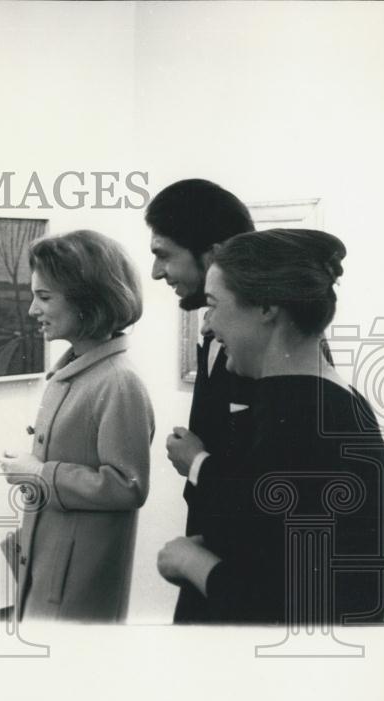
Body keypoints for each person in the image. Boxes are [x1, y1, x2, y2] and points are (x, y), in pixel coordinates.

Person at [156, 229, 384, 623]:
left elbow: (284, 605)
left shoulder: (304, 419)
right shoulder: (320, 401)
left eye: (214, 306)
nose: (207, 325)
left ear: (266, 307)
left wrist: (192, 562)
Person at [0, 230, 154, 621]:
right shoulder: (74, 372)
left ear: (88, 301)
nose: (33, 309)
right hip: (48, 568)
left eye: (45, 297)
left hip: (79, 584)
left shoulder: (118, 382)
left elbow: (127, 486)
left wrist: (39, 473)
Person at [145, 179, 256, 622]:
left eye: (164, 254)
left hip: (244, 584)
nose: (156, 273)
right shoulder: (212, 337)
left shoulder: (266, 355)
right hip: (206, 555)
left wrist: (197, 462)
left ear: (211, 254)